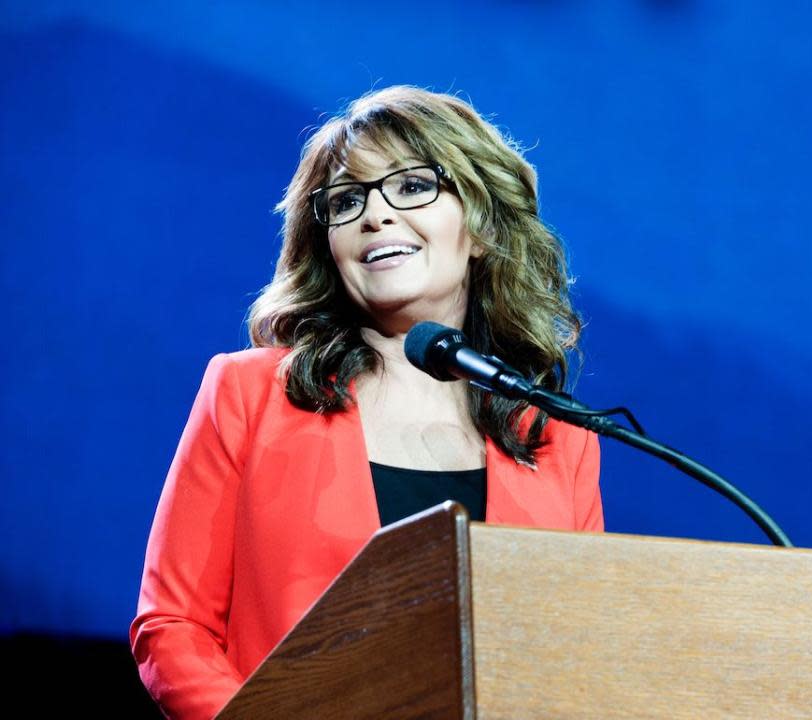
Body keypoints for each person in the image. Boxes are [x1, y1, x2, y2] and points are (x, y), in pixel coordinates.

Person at [130, 86, 603, 720]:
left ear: (482, 227)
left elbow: (581, 655)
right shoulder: (246, 394)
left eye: (412, 187)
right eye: (347, 200)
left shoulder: (555, 434)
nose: (375, 215)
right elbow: (173, 627)